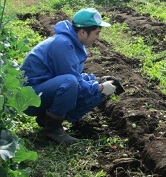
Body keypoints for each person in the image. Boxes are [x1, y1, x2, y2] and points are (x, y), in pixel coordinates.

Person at [21, 8, 117, 144]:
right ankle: (53, 130)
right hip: (28, 99)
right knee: (70, 83)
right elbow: (71, 79)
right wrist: (100, 87)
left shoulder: (73, 42)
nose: (98, 38)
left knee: (83, 84)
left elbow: (75, 75)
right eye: (97, 33)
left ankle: (46, 119)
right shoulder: (62, 44)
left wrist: (95, 81)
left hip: (42, 92)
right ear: (83, 32)